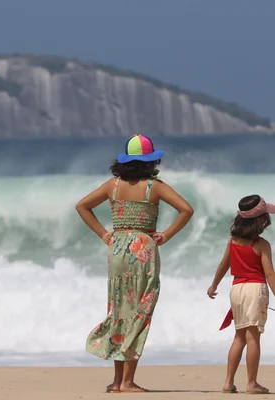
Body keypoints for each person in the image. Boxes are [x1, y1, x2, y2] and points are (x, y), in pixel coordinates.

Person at [75, 134, 193, 393]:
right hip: (143, 249)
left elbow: (82, 206)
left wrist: (103, 233)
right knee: (140, 312)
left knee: (120, 311)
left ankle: (118, 381)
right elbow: (186, 209)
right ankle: (127, 382)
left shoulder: (112, 186)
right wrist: (166, 235)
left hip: (117, 248)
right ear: (150, 161)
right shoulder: (155, 186)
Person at [207, 195, 275, 395]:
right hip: (255, 289)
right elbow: (269, 273)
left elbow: (224, 264)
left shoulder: (233, 240)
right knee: (253, 338)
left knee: (239, 337)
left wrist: (213, 285)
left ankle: (228, 382)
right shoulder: (262, 245)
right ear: (261, 221)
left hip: (236, 290)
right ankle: (252, 383)